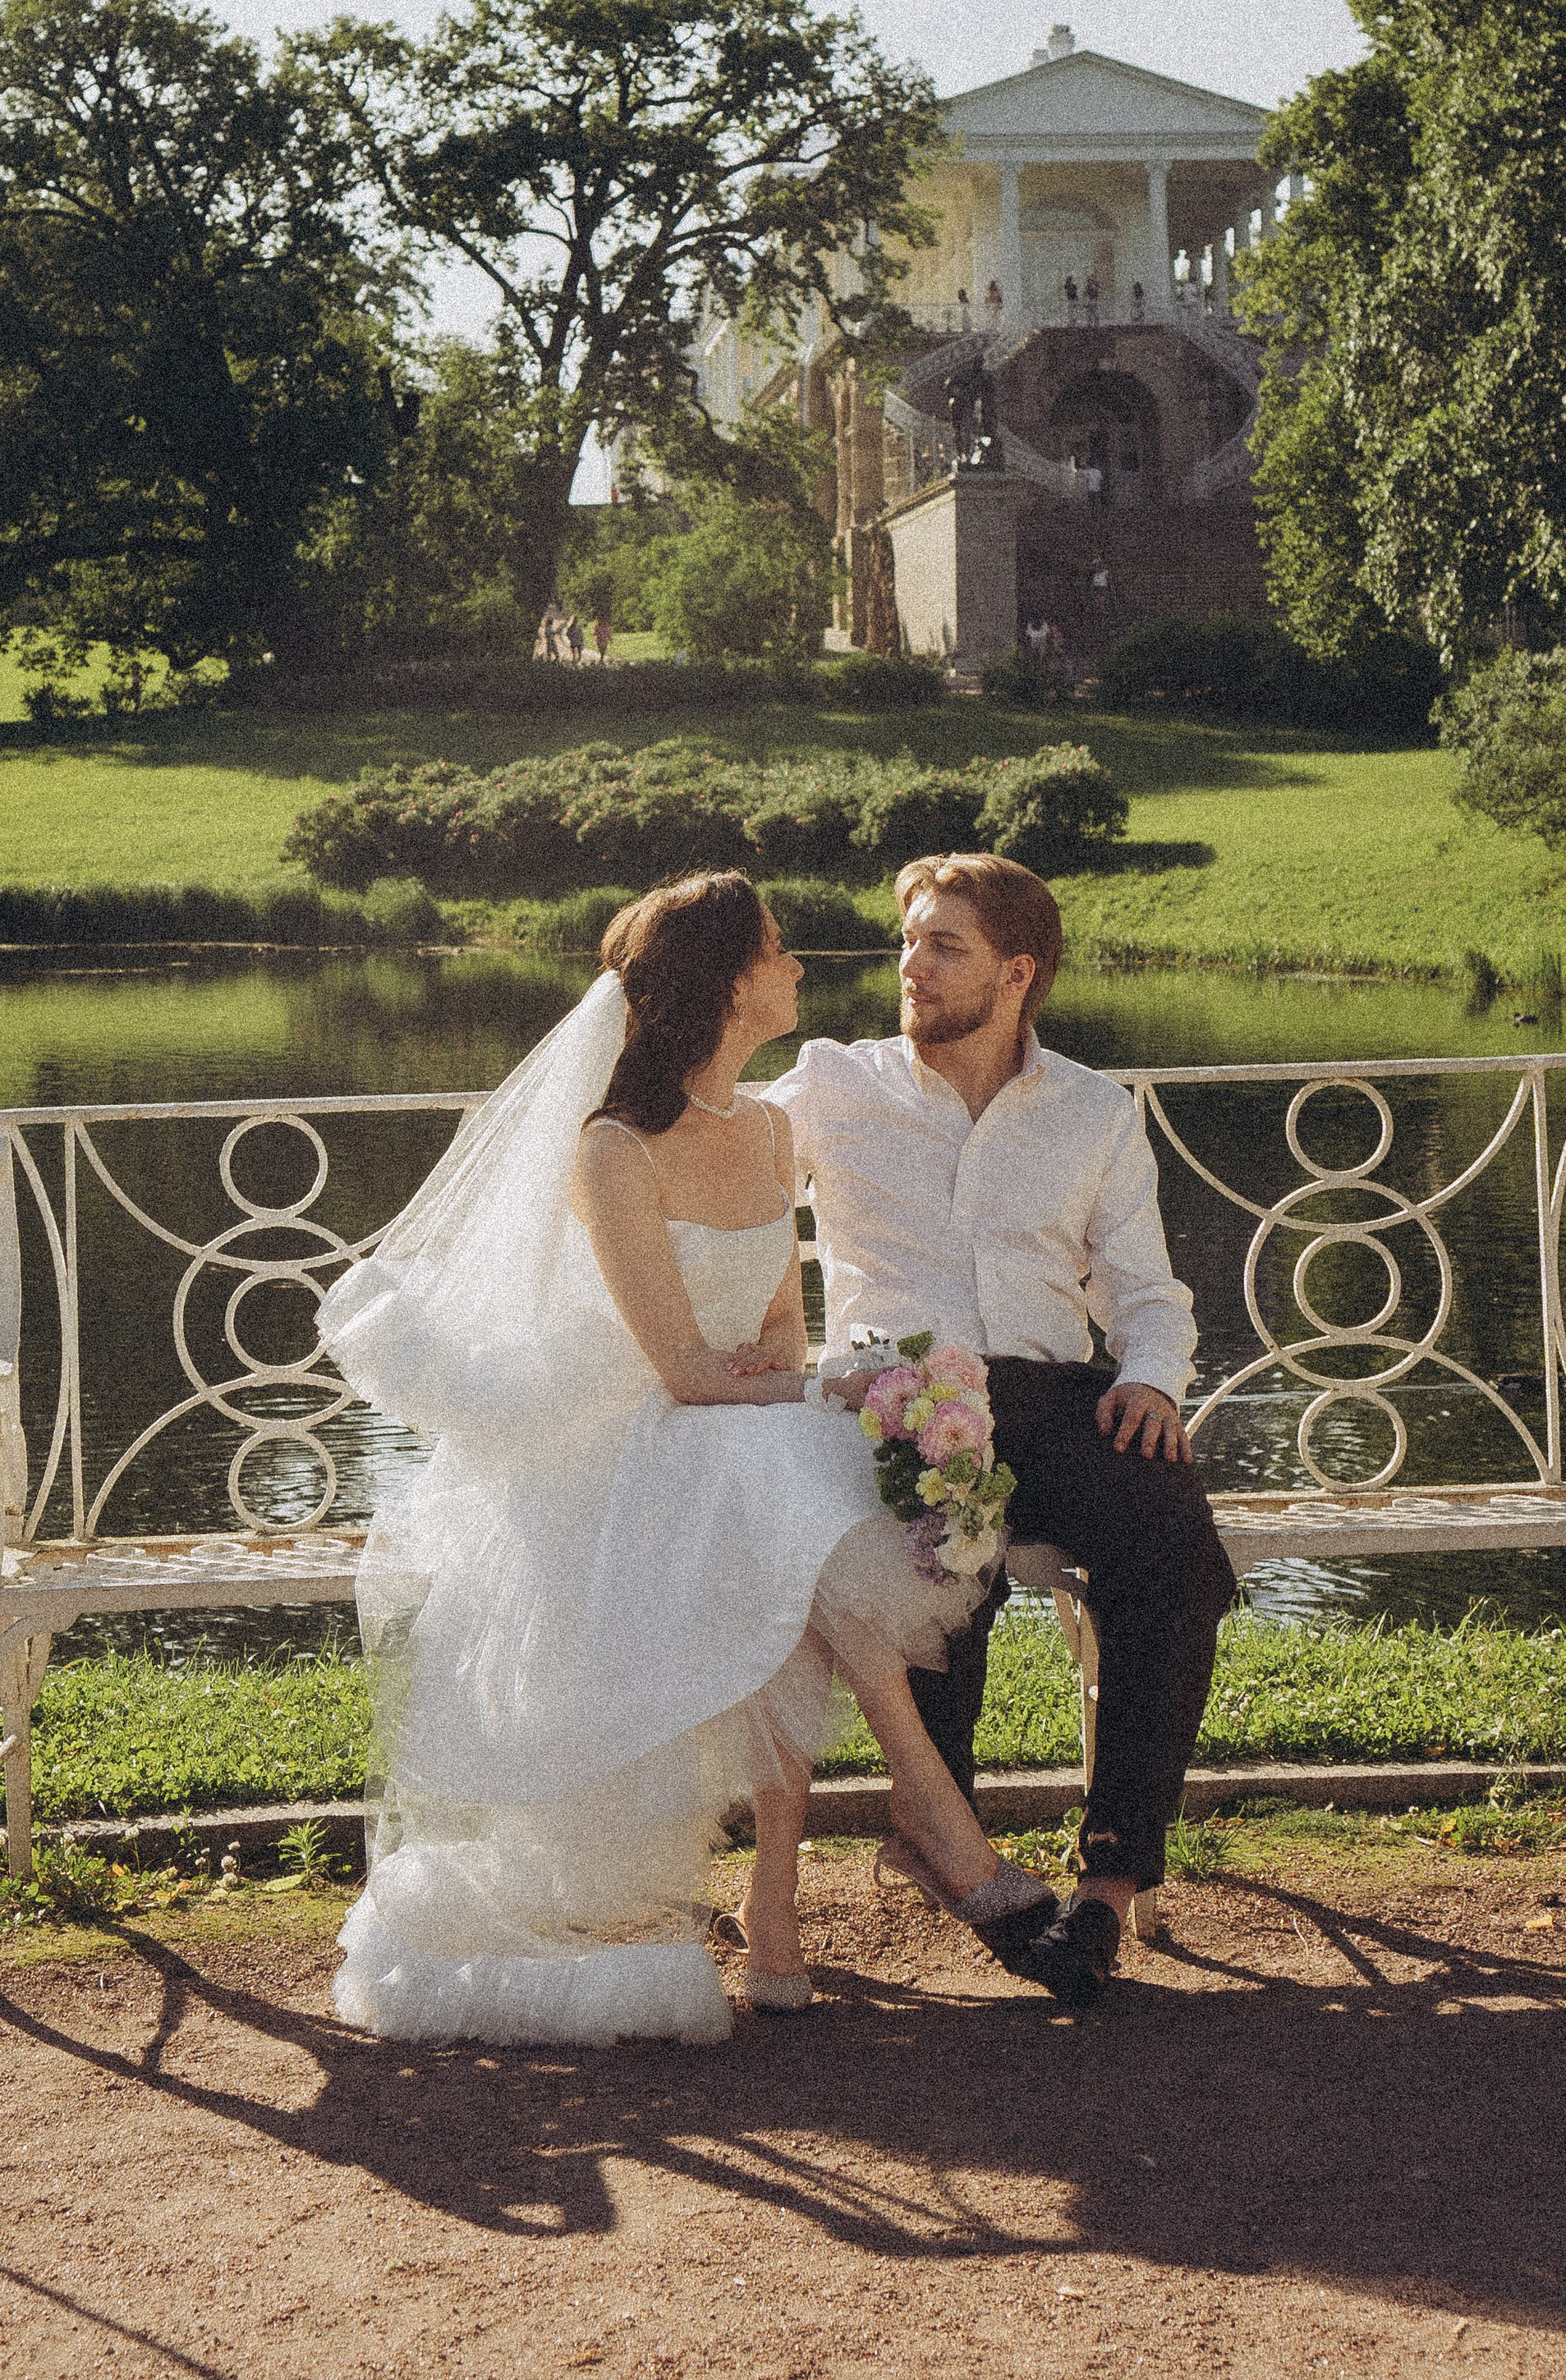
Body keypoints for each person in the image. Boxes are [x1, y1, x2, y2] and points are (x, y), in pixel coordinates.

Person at [315, 874, 1064, 2049]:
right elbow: (674, 1367)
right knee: (789, 1494)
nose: (800, 967)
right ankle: (923, 1828)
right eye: (777, 948)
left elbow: (776, 1334)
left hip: (729, 1430)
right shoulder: (613, 1147)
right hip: (613, 1446)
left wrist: (805, 1381)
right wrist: (807, 1388)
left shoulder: (772, 1132)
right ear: (725, 981)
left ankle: (789, 1901)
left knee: (793, 1496)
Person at [768, 854, 1237, 2006]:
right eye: (908, 943)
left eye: (945, 948)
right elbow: (714, 1178)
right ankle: (950, 1840)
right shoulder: (833, 1084)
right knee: (943, 1551)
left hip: (1053, 1395)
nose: (911, 970)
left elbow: (1148, 1294)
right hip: (899, 1395)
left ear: (1018, 973)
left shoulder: (1092, 1111)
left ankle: (1110, 1886)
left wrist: (1156, 1383)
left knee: (1175, 1548)